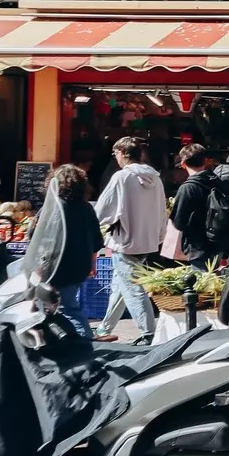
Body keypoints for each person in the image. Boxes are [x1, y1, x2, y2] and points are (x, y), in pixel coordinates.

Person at [94, 137, 166, 343]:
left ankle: (148, 333)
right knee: (121, 285)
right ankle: (104, 328)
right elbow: (162, 210)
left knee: (133, 289)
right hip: (147, 240)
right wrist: (159, 235)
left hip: (125, 241)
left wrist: (95, 224)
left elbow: (103, 208)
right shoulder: (155, 178)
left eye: (115, 153)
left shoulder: (121, 177)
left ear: (122, 153)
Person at [48, 165, 105, 337]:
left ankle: (85, 343)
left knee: (69, 308)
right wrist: (92, 263)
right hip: (80, 265)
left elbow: (39, 236)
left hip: (59, 267)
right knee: (68, 305)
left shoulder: (55, 207)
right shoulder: (86, 207)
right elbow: (97, 240)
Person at [171, 145, 226, 269]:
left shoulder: (188, 188)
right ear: (205, 161)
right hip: (219, 241)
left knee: (202, 284)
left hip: (197, 246)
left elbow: (179, 223)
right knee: (214, 283)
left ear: (183, 164)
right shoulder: (218, 182)